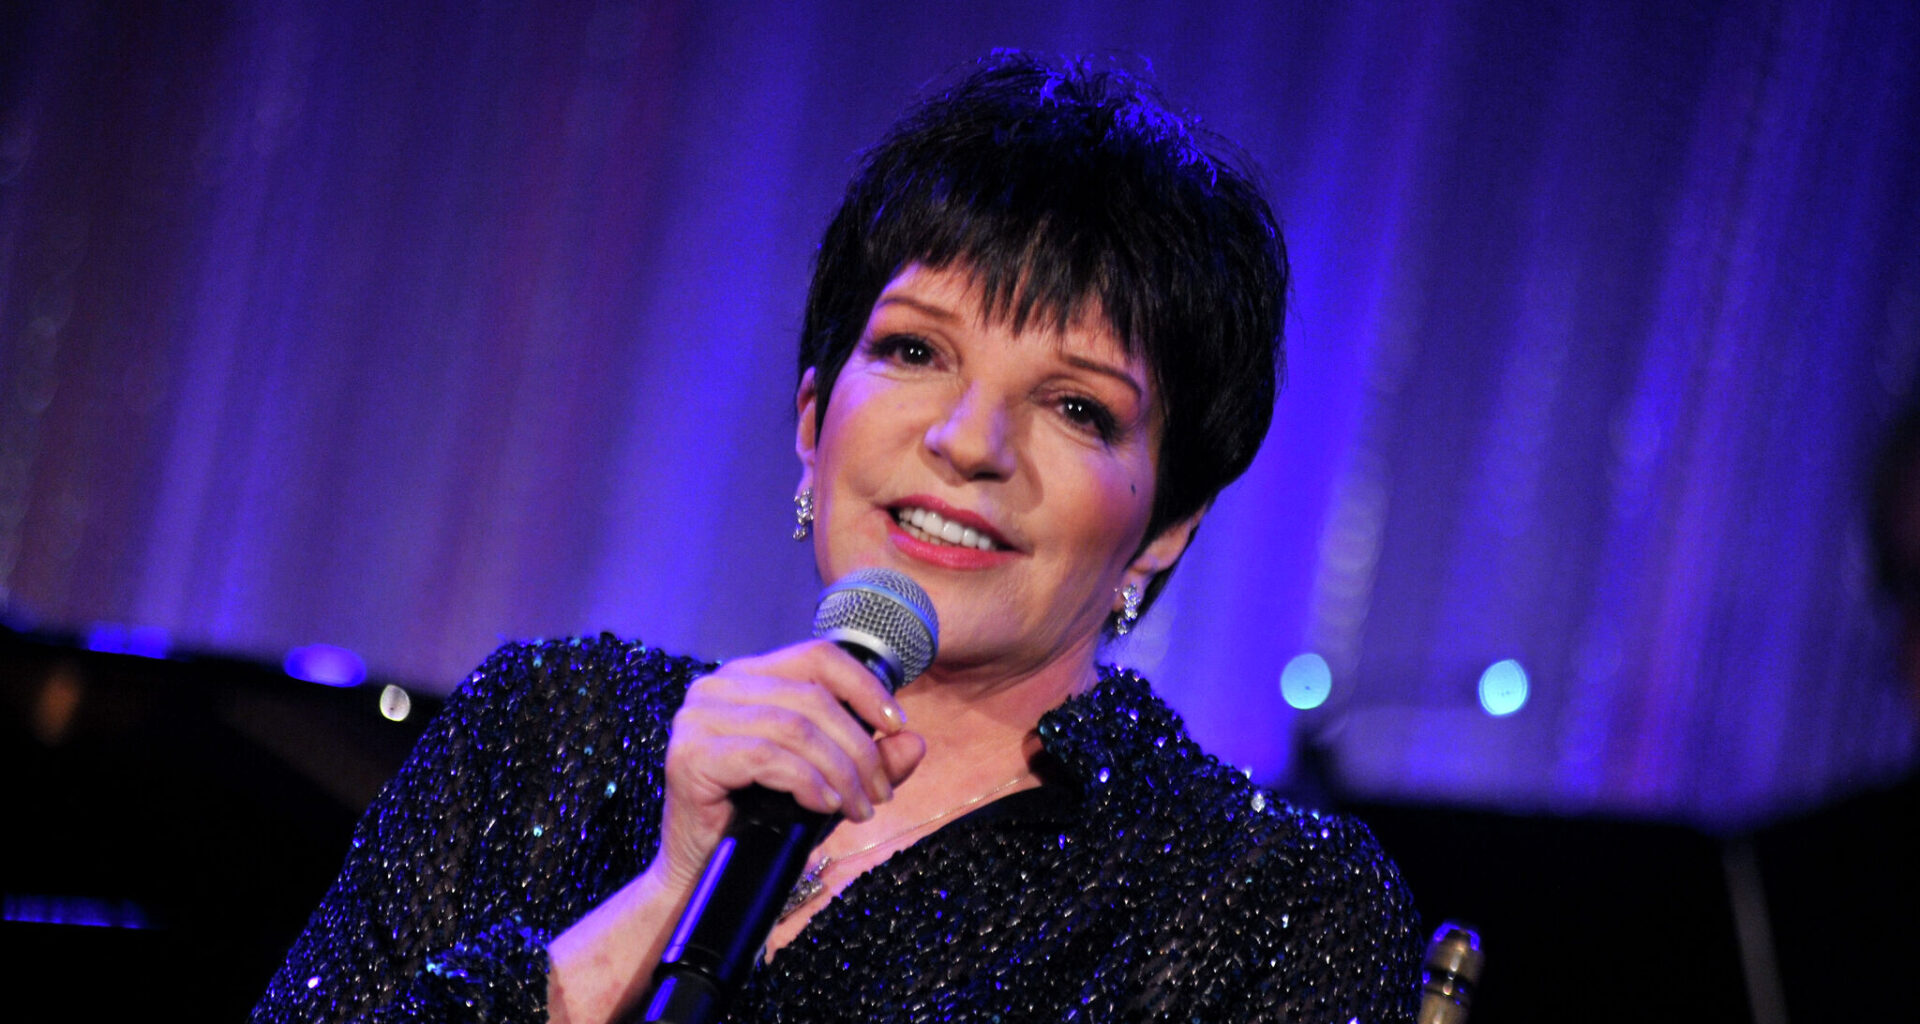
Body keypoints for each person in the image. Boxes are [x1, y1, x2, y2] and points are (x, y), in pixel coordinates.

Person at [252, 52, 1422, 1024]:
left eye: (1077, 407)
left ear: (1166, 525)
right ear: (813, 420)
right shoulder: (546, 730)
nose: (970, 441)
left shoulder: (1252, 897)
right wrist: (666, 892)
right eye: (915, 350)